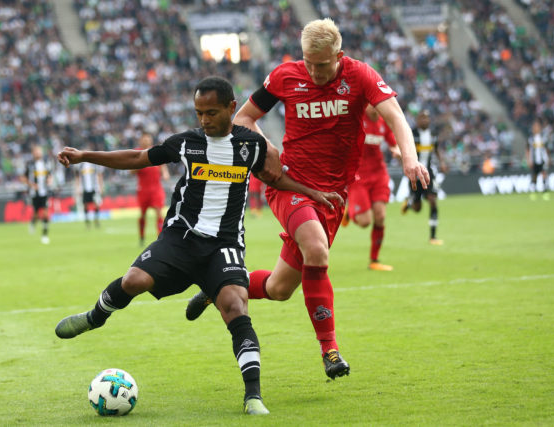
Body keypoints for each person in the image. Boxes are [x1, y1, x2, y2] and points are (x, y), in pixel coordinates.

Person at [54, 77, 343, 415]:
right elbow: (138, 157)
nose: (204, 120)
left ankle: (253, 397)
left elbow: (274, 177)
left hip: (225, 243)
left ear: (232, 109)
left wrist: (312, 193)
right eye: (198, 113)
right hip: (181, 238)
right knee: (133, 281)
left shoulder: (251, 146)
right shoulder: (187, 143)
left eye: (211, 112)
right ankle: (96, 316)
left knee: (236, 306)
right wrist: (85, 156)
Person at [185, 19, 430, 380]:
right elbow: (244, 118)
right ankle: (329, 350)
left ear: (339, 56)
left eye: (323, 64)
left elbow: (395, 115)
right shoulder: (286, 76)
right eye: (308, 62)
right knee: (316, 248)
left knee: (279, 288)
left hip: (332, 197)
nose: (314, 71)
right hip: (291, 186)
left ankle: (217, 285)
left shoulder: (360, 76)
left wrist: (410, 157)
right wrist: (266, 146)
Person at [341, 104, 401, 271]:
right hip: (358, 175)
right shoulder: (358, 120)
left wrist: (398, 151)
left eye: (376, 105)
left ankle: (374, 260)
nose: (373, 108)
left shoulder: (383, 123)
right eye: (370, 105)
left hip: (379, 174)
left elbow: (393, 143)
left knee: (381, 216)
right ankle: (350, 211)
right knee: (365, 222)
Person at [400, 110, 446, 245]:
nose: (425, 120)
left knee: (433, 200)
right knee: (417, 208)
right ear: (417, 120)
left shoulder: (433, 134)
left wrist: (442, 162)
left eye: (427, 118)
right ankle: (409, 203)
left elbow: (436, 149)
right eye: (422, 118)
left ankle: (433, 237)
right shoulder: (412, 134)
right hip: (415, 172)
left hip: (429, 172)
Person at [133, 132, 170, 245]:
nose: (146, 141)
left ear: (150, 140)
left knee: (159, 213)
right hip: (143, 189)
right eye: (144, 139)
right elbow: (131, 170)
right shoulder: (137, 152)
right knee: (143, 214)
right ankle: (142, 237)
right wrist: (139, 165)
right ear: (140, 140)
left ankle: (160, 238)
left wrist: (165, 173)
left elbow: (163, 167)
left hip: (156, 189)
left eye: (148, 139)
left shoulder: (156, 151)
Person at [23, 146, 53, 244]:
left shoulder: (46, 163)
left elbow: (50, 175)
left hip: (44, 192)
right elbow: (24, 178)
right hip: (34, 194)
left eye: (39, 151)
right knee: (36, 213)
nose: (38, 153)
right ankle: (32, 223)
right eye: (36, 151)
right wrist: (32, 185)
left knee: (45, 213)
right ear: (33, 153)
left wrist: (49, 180)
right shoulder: (30, 165)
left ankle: (44, 235)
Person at [76, 156, 104, 228]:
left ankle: (96, 220)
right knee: (85, 205)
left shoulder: (94, 165)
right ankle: (87, 221)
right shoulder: (81, 165)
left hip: (94, 188)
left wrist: (101, 187)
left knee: (97, 204)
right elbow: (78, 177)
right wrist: (78, 187)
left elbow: (99, 175)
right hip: (84, 189)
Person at [527, 120, 551, 201]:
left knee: (544, 174)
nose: (536, 128)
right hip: (534, 160)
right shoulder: (530, 139)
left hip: (542, 160)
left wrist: (548, 158)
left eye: (537, 126)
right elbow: (527, 150)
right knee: (535, 176)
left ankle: (545, 192)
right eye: (535, 126)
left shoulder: (543, 138)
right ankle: (533, 192)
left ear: (540, 128)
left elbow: (547, 149)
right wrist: (528, 159)